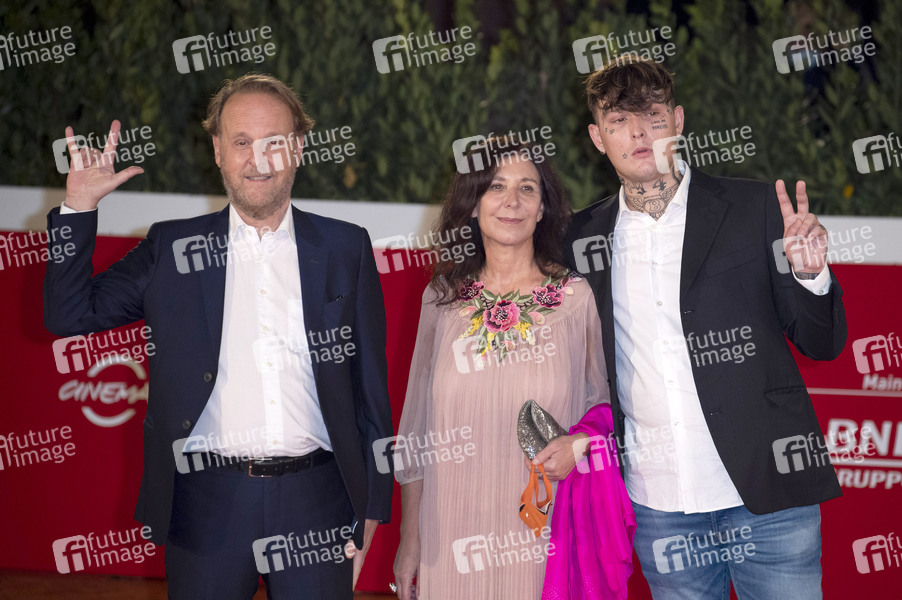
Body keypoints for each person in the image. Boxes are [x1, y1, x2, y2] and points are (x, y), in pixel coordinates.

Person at [43, 74, 393, 600]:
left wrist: (372, 506)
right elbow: (69, 314)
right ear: (217, 151)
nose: (258, 159)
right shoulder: (172, 248)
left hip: (317, 503)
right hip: (205, 507)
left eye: (274, 141)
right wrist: (78, 208)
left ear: (298, 148)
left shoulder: (346, 248)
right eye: (241, 142)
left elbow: (371, 389)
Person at [564, 57, 847, 599]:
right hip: (659, 507)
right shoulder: (579, 238)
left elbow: (822, 343)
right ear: (598, 138)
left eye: (652, 115)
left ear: (678, 120)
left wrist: (810, 274)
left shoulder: (754, 208)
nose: (639, 132)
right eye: (619, 121)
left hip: (769, 495)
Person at [391, 137, 634, 600]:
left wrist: (580, 444)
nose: (512, 201)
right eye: (496, 186)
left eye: (527, 188)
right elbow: (416, 431)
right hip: (450, 535)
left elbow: (605, 408)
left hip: (543, 531)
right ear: (473, 203)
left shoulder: (574, 298)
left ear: (543, 209)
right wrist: (410, 539)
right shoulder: (441, 299)